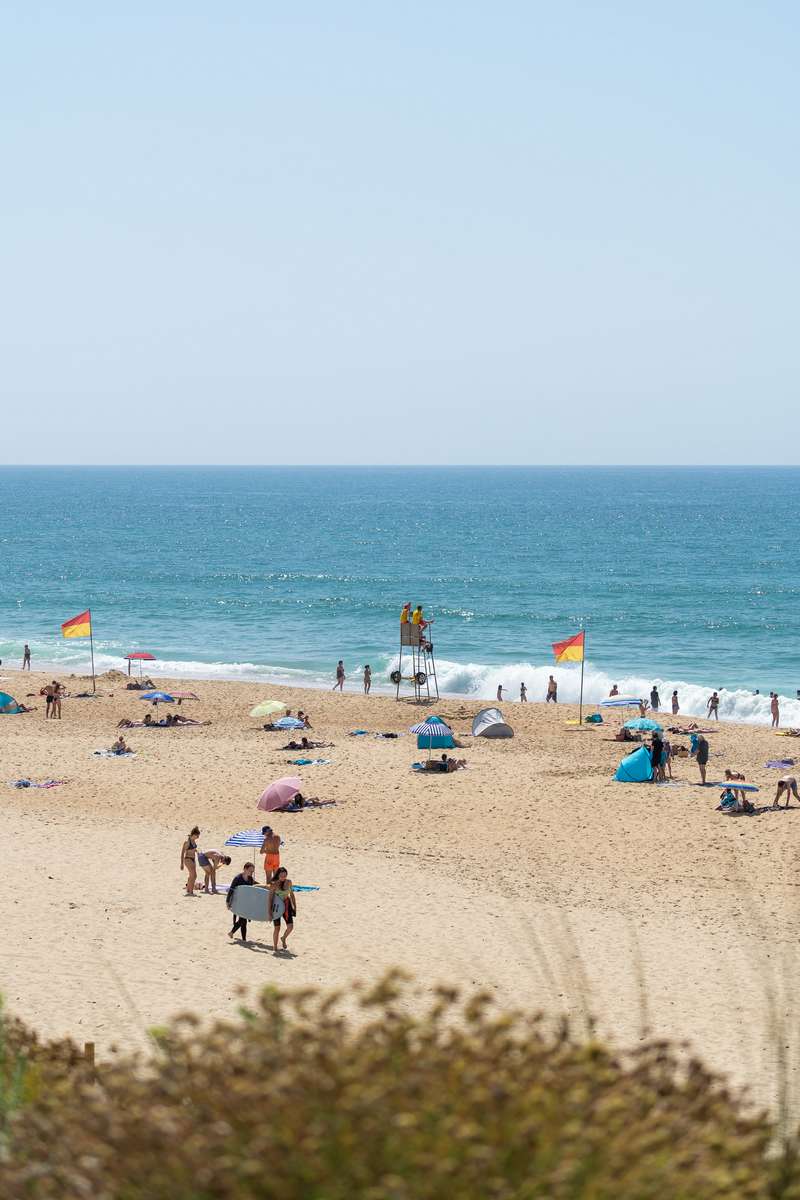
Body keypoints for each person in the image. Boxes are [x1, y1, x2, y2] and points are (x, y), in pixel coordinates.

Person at [227, 862, 256, 942]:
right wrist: (228, 901)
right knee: (243, 919)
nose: (252, 873)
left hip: (246, 902)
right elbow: (231, 890)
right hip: (238, 902)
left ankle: (243, 938)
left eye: (252, 871)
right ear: (245, 869)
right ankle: (232, 932)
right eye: (250, 871)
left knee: (244, 920)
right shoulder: (237, 878)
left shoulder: (250, 879)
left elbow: (253, 888)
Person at [269, 867, 296, 951]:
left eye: (285, 875)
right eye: (281, 876)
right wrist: (269, 912)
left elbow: (291, 895)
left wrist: (295, 906)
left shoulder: (289, 882)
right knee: (277, 928)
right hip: (276, 907)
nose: (283, 877)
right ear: (278, 875)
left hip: (287, 906)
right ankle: (275, 947)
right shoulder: (274, 884)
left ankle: (283, 938)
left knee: (290, 927)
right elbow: (270, 899)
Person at [181, 827, 200, 896]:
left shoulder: (193, 841)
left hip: (193, 859)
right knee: (194, 876)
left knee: (191, 875)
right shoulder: (187, 842)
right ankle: (191, 891)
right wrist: (182, 864)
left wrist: (196, 851)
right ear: (194, 834)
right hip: (188, 859)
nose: (198, 837)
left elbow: (192, 849)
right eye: (197, 836)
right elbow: (182, 852)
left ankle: (188, 890)